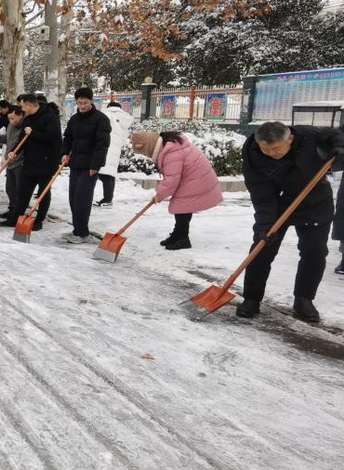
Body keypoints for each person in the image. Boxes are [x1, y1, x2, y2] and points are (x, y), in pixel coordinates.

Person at [238, 121, 344, 322]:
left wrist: (340, 147)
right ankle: (251, 298)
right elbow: (262, 195)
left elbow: (336, 134)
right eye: (266, 149)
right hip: (276, 201)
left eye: (277, 148)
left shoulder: (309, 134)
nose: (271, 153)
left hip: (314, 198)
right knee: (262, 247)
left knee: (314, 252)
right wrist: (264, 227)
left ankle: (304, 299)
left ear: (290, 139)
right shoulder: (253, 154)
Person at [130, 131, 223, 249]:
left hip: (198, 179)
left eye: (143, 152)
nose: (145, 155)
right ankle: (177, 234)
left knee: (182, 205)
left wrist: (159, 195)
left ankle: (183, 238)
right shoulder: (167, 146)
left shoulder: (170, 153)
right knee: (182, 205)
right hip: (195, 177)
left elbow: (171, 181)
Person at [0, 93, 62, 229]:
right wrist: (14, 151)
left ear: (29, 105)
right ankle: (14, 219)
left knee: (43, 193)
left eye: (22, 106)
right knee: (23, 192)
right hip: (30, 160)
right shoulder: (28, 118)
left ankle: (38, 221)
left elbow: (53, 137)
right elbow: (23, 136)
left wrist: (33, 133)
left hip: (47, 161)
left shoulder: (50, 117)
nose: (21, 108)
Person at [60, 87, 112, 244]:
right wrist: (64, 153)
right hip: (75, 164)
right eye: (79, 102)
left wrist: (96, 165)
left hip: (89, 166)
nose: (82, 106)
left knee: (82, 199)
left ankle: (82, 233)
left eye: (85, 102)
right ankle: (77, 230)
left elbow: (102, 144)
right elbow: (68, 137)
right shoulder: (75, 118)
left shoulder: (101, 119)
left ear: (92, 101)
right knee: (73, 198)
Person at [97, 100, 133, 207]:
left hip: (105, 147)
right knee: (110, 174)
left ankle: (107, 200)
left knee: (105, 174)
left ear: (109, 107)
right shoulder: (124, 119)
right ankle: (108, 198)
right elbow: (123, 138)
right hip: (116, 149)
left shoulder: (106, 114)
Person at [0, 105, 25, 219]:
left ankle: (18, 213)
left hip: (21, 162)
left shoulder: (26, 128)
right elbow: (7, 139)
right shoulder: (10, 126)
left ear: (21, 115)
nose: (11, 121)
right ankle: (11, 209)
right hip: (10, 162)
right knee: (10, 188)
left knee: (20, 190)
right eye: (9, 118)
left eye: (13, 118)